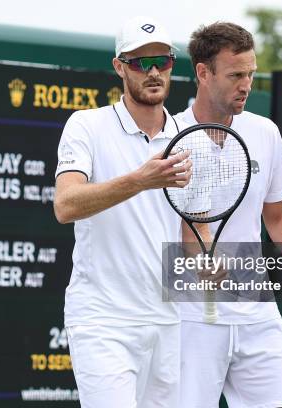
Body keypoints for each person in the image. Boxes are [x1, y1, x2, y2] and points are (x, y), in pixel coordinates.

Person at [175, 22, 282, 408]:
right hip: (189, 318)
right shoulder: (169, 136)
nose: (246, 84)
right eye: (235, 75)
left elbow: (278, 213)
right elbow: (182, 226)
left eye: (251, 74)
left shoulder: (265, 132)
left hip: (257, 311)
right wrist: (201, 256)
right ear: (203, 73)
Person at [54, 16, 191, 408]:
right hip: (103, 322)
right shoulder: (87, 125)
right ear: (119, 67)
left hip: (168, 324)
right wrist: (139, 180)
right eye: (138, 62)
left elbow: (191, 238)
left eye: (161, 62)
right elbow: (65, 205)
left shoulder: (187, 136)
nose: (152, 72)